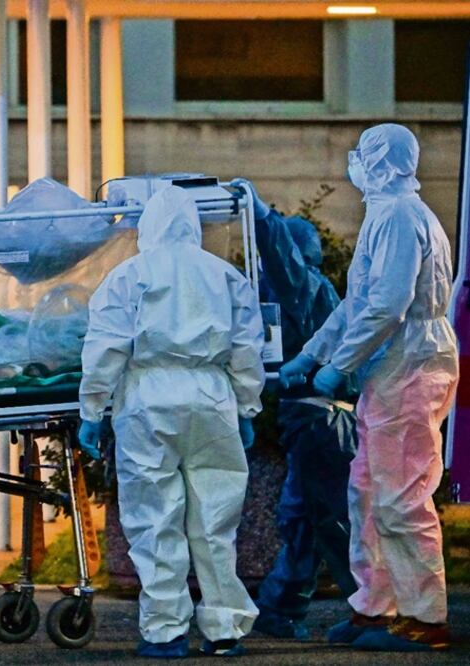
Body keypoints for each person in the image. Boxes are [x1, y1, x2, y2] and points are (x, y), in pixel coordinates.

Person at [281, 124, 458, 652]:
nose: (354, 160)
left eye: (362, 152)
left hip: (409, 366)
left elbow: (388, 305)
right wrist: (311, 354)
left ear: (381, 161)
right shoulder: (387, 214)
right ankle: (375, 608)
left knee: (401, 497)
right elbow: (356, 303)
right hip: (394, 369)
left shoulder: (400, 216)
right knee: (367, 492)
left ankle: (425, 619)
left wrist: (339, 365)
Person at [78, 186, 265, 658]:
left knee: (154, 516)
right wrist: (247, 407)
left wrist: (92, 410)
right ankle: (224, 629)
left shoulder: (129, 276)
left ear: (148, 226)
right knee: (216, 519)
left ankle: (166, 632)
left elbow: (105, 348)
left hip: (148, 399)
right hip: (212, 397)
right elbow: (247, 349)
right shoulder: (225, 276)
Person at [233, 179, 359, 641]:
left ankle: (370, 606)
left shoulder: (303, 287)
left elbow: (280, 257)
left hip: (317, 417)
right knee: (303, 516)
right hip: (316, 415)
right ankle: (282, 607)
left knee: (328, 519)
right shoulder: (317, 292)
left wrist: (263, 217)